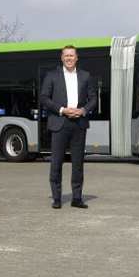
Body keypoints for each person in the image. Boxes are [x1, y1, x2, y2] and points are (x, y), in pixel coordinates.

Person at [40, 45, 97, 209]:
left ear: (77, 57)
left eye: (72, 55)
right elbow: (44, 98)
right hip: (59, 123)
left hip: (79, 124)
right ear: (61, 58)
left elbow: (93, 99)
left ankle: (77, 198)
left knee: (78, 163)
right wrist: (62, 110)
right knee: (56, 163)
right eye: (66, 56)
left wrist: (83, 110)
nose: (69, 58)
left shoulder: (86, 76)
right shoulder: (52, 76)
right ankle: (57, 198)